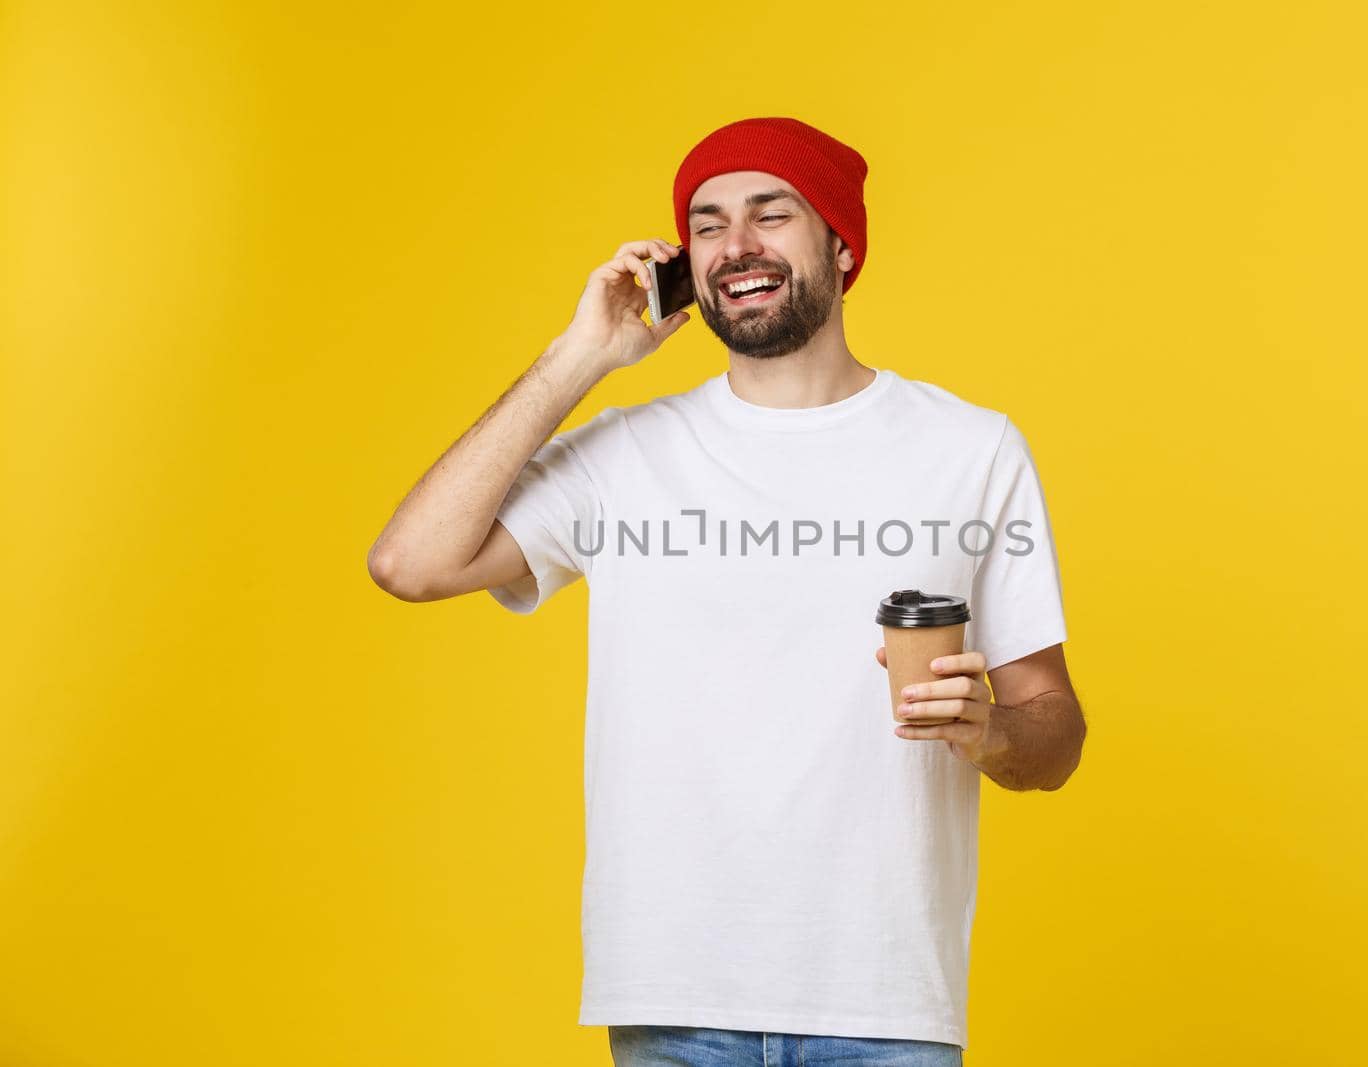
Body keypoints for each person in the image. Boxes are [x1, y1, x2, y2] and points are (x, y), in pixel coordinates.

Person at [368, 116, 1087, 1067]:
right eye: (706, 225)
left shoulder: (970, 448)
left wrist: (988, 728)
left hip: (885, 1005)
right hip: (675, 1001)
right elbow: (409, 564)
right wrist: (581, 355)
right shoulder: (626, 455)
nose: (735, 244)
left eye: (770, 213)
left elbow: (1056, 732)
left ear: (840, 243)